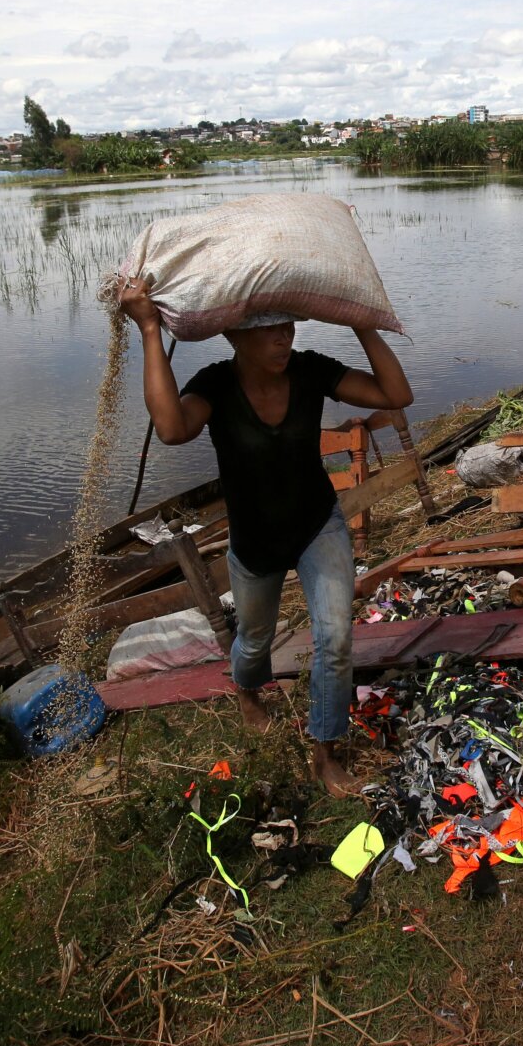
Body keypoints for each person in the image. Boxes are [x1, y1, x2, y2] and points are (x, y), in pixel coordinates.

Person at [115, 275, 413, 794]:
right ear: (234, 337)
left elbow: (397, 393)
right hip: (254, 542)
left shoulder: (311, 370)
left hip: (318, 525)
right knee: (254, 642)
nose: (284, 338)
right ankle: (248, 694)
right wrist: (147, 328)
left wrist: (362, 323)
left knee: (336, 636)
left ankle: (325, 751)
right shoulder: (215, 384)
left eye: (287, 325)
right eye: (267, 330)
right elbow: (170, 428)